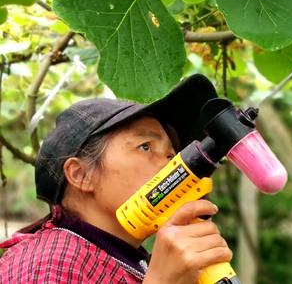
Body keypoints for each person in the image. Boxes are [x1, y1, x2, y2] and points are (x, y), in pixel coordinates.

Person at [0, 74, 234, 283]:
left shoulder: (134, 264)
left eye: (172, 155)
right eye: (145, 147)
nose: (172, 167)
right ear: (81, 175)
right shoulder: (49, 260)